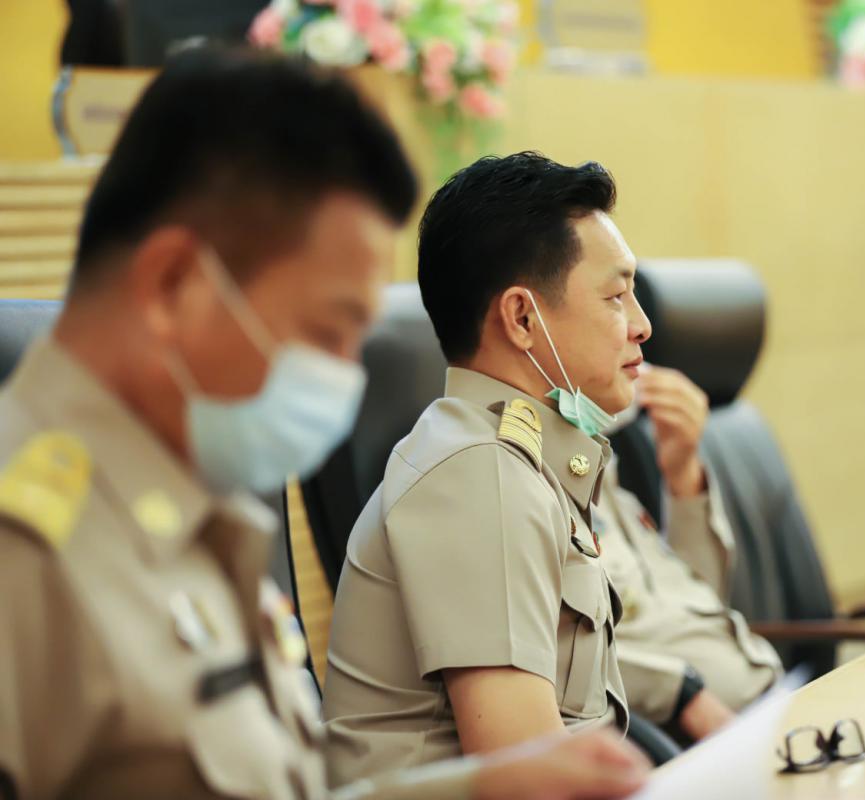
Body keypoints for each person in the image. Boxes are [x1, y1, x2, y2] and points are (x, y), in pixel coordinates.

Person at [0, 49, 648, 800]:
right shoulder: (24, 545)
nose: (345, 376)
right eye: (324, 331)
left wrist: (478, 787)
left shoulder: (197, 518)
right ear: (175, 284)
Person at [322, 152, 647, 784]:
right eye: (615, 297)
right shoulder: (481, 474)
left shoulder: (519, 461)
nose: (642, 325)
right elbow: (530, 780)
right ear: (522, 318)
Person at [597, 366, 782, 741]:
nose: (639, 335)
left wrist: (681, 471)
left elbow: (700, 598)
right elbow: (558, 659)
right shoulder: (522, 484)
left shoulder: (602, 472)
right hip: (692, 744)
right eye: (612, 305)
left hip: (767, 705)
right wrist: (680, 693)